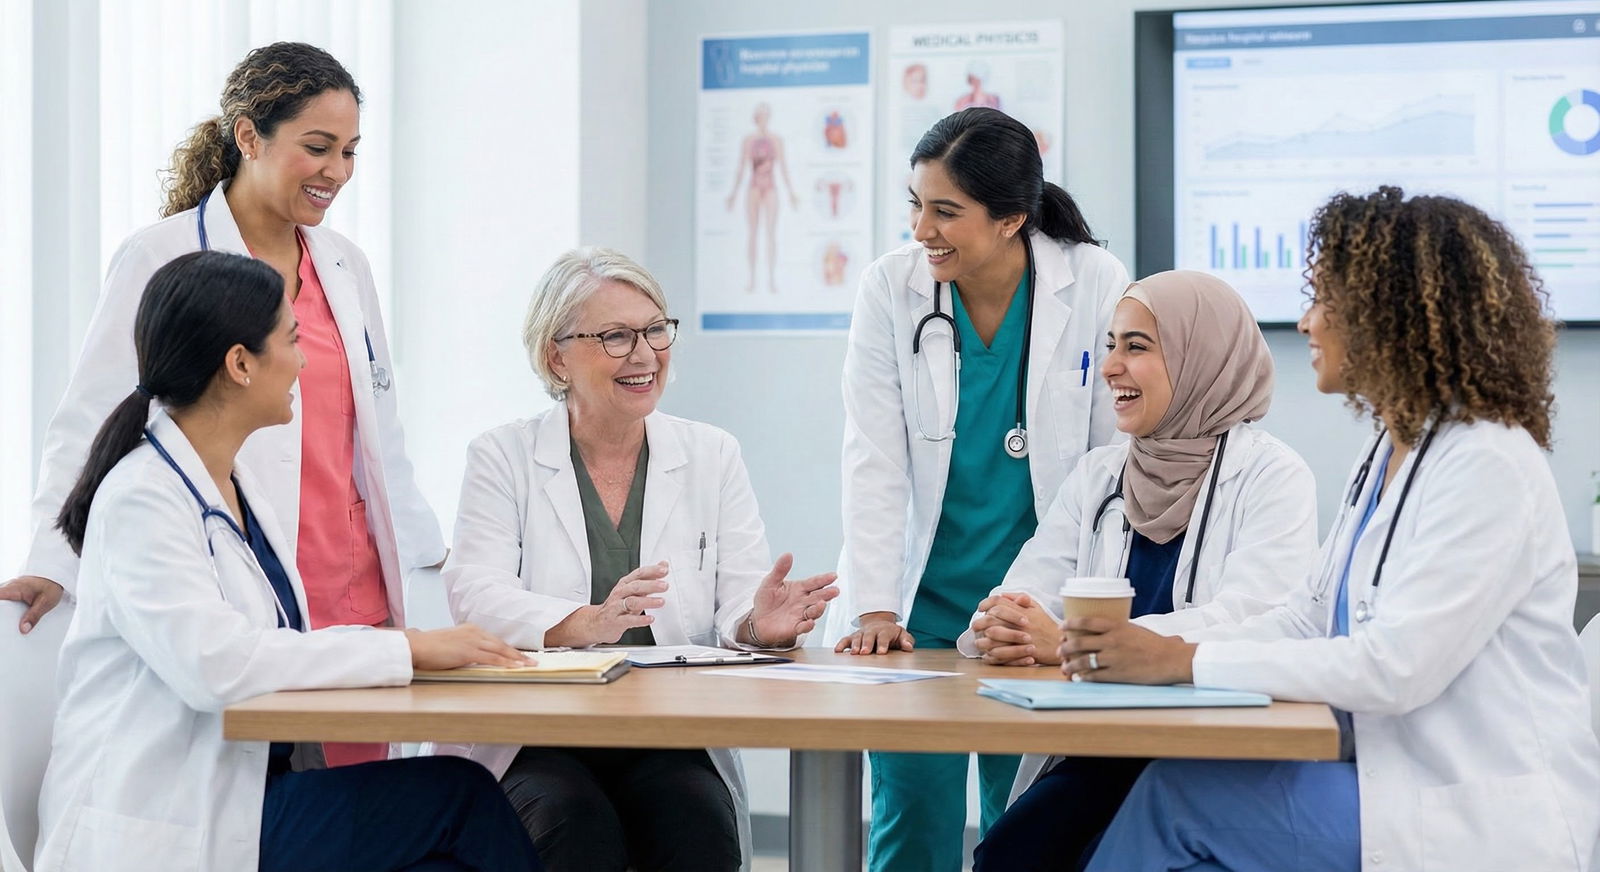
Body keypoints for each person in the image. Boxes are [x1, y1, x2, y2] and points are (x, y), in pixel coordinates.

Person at [1065, 187, 1600, 871]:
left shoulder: (1485, 462)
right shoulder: (1392, 449)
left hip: (1471, 813)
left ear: (1390, 316)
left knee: (1175, 800)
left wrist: (1181, 661)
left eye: (1324, 301)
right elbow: (1303, 619)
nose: (1306, 322)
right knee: (1173, 795)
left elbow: (1393, 667)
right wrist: (1143, 643)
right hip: (1386, 776)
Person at [1, 42, 439, 767]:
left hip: (356, 586)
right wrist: (55, 558)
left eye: (352, 152)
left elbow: (380, 433)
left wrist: (427, 570)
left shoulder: (345, 267)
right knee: (267, 812)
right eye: (318, 147)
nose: (338, 172)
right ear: (247, 137)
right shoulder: (162, 256)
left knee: (361, 817)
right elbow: (94, 416)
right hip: (246, 580)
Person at [33, 251, 541, 872]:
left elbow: (265, 647)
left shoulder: (235, 484)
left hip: (245, 794)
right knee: (462, 798)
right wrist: (407, 649)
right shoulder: (143, 497)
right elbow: (214, 663)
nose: (303, 363)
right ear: (240, 364)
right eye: (292, 341)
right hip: (170, 816)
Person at [434, 247, 838, 872]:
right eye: (616, 336)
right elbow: (474, 592)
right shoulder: (502, 456)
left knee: (696, 822)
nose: (645, 354)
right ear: (556, 355)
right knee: (573, 822)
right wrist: (584, 622)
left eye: (655, 330)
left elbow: (737, 598)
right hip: (539, 734)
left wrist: (760, 625)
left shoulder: (711, 454)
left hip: (667, 730)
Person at [830, 107, 1129, 872]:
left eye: (945, 211)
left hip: (1031, 608)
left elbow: (1110, 463)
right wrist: (874, 605)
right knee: (909, 824)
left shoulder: (1091, 280)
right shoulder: (890, 289)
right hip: (919, 605)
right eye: (915, 203)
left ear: (1010, 219)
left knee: (1023, 825)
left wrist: (1065, 610)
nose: (922, 228)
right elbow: (874, 456)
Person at [962, 270, 1317, 871]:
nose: (1110, 368)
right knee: (1007, 854)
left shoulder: (1272, 477)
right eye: (1110, 346)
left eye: (1136, 347)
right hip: (1102, 746)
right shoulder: (1099, 476)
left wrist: (1077, 644)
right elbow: (1024, 595)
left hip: (1208, 755)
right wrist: (1004, 622)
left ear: (1198, 355)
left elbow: (1257, 620)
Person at [725, 103, 799, 294]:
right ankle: (752, 278)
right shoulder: (748, 140)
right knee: (753, 233)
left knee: (770, 234)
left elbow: (783, 167)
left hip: (770, 186)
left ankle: (772, 279)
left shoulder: (776, 140)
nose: (763, 119)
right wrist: (733, 194)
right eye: (760, 115)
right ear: (756, 117)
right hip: (754, 187)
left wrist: (791, 193)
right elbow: (741, 168)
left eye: (765, 115)